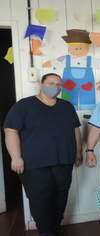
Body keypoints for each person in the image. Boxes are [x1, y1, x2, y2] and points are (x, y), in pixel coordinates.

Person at [3, 73, 83, 236]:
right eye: (51, 83)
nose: (55, 87)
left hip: (64, 160)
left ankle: (55, 228)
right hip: (34, 163)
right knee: (41, 197)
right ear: (41, 84)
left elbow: (76, 130)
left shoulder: (66, 106)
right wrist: (16, 157)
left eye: (59, 84)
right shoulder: (23, 106)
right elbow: (10, 130)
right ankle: (45, 232)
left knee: (61, 196)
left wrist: (78, 152)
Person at [43, 29, 100, 110]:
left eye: (81, 47)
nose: (78, 49)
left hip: (87, 85)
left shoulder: (90, 60)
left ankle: (88, 110)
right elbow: (47, 64)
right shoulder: (65, 59)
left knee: (88, 95)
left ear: (87, 47)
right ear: (69, 46)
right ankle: (68, 109)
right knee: (69, 96)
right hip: (69, 84)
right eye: (75, 47)